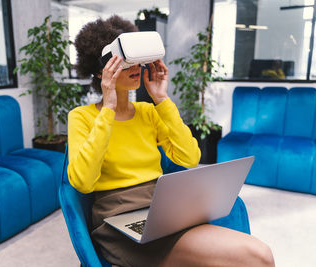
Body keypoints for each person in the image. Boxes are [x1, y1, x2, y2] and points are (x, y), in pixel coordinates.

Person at [67, 15, 275, 267]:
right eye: (125, 61)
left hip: (162, 213)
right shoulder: (82, 117)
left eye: (137, 61)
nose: (136, 67)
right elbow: (83, 183)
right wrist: (108, 108)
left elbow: (189, 158)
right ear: (102, 69)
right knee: (257, 256)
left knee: (258, 254)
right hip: (119, 221)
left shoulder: (148, 112)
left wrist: (162, 100)